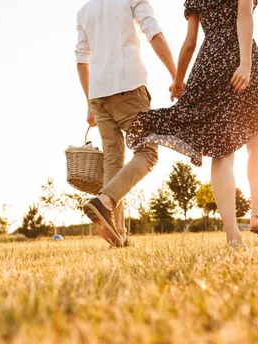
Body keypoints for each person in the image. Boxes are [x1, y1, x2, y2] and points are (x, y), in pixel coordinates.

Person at [127, 0, 258, 246]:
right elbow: (243, 17)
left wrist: (178, 81)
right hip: (239, 56)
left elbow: (190, 43)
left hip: (208, 63)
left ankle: (232, 235)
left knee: (222, 151)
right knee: (256, 142)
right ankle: (257, 215)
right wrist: (245, 65)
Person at [75, 0, 177, 247]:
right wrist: (176, 75)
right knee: (149, 153)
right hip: (128, 88)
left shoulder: (85, 11)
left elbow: (81, 58)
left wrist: (89, 100)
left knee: (113, 159)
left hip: (98, 94)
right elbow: (152, 30)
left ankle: (117, 232)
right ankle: (105, 200)